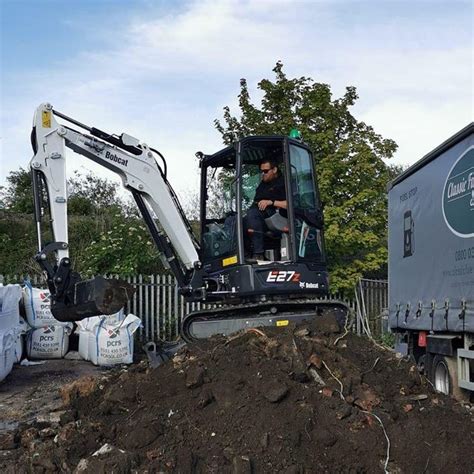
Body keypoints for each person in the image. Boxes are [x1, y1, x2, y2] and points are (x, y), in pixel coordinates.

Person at [244, 159, 287, 260]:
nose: (263, 174)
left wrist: (271, 202)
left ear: (275, 169)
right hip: (260, 216)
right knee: (235, 222)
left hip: (278, 216)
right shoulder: (263, 184)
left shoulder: (284, 182)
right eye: (262, 171)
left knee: (252, 214)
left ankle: (258, 254)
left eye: (266, 171)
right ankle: (245, 255)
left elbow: (290, 204)